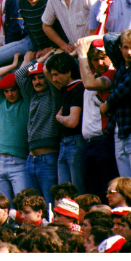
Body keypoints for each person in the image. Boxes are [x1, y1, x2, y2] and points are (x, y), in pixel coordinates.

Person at [99, 29, 131, 207]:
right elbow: (108, 38)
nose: (129, 52)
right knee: (124, 186)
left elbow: (123, 91)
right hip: (120, 130)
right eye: (125, 47)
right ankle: (126, 219)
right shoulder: (121, 64)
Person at [14, 50, 63, 210]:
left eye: (40, 77)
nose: (37, 81)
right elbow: (20, 74)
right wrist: (39, 59)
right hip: (31, 159)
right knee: (32, 206)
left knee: (49, 205)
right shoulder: (33, 97)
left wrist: (45, 63)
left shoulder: (54, 94)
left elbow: (50, 78)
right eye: (34, 79)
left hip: (48, 158)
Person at [76, 36, 118, 201]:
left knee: (105, 190)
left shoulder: (112, 74)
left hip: (104, 141)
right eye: (95, 59)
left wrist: (81, 55)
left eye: (103, 58)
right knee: (92, 191)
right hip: (88, 143)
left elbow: (89, 84)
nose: (100, 63)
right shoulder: (90, 74)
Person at [0, 54, 29, 199]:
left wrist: (25, 62)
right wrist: (12, 65)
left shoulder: (26, 102)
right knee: (2, 208)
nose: (9, 94)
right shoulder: (2, 102)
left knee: (23, 203)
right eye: (6, 91)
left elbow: (22, 79)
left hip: (18, 162)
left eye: (13, 90)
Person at [45, 51, 86, 194]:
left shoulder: (78, 88)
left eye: (57, 74)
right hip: (65, 143)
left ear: (68, 72)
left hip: (75, 142)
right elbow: (45, 70)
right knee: (63, 193)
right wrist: (68, 53)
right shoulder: (67, 89)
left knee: (76, 189)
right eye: (53, 74)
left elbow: (72, 121)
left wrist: (59, 117)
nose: (54, 79)